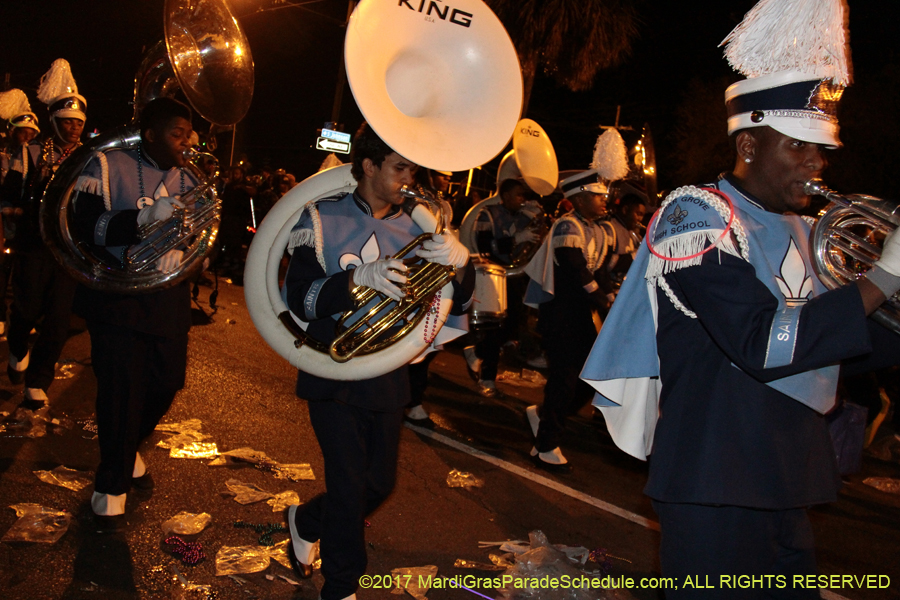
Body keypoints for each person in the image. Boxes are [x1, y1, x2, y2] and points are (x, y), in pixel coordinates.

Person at [581, 1, 900, 593]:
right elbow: (759, 340)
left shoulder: (810, 231)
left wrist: (886, 299)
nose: (815, 163)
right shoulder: (696, 215)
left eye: (821, 149)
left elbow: (842, 348)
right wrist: (881, 280)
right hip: (716, 476)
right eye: (797, 146)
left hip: (791, 474)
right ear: (749, 145)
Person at [282, 122, 473, 600]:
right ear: (369, 166)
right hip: (333, 367)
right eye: (400, 166)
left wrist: (459, 262)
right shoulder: (320, 218)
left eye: (413, 167)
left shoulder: (422, 222)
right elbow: (299, 297)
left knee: (379, 484)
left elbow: (459, 300)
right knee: (348, 483)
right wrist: (356, 280)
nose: (410, 177)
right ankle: (342, 586)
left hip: (387, 372)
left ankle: (307, 519)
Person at [70, 97, 198, 530]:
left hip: (167, 297)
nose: (187, 141)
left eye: (188, 133)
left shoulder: (190, 178)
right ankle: (111, 482)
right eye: (177, 133)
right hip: (117, 293)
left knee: (166, 382)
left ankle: (126, 448)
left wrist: (182, 250)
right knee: (122, 388)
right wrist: (143, 218)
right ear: (150, 134)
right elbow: (84, 226)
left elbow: (202, 236)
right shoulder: (107, 166)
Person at [2, 60, 85, 405]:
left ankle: (39, 380)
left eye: (78, 123)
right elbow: (10, 191)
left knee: (58, 318)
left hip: (67, 251)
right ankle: (17, 346)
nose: (73, 129)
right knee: (25, 308)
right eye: (67, 122)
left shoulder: (89, 159)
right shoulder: (32, 152)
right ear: (54, 121)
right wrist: (12, 209)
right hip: (33, 244)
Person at [522, 169, 615, 472]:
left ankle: (544, 414)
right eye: (599, 195)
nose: (604, 200)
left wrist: (610, 296)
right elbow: (576, 271)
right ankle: (545, 444)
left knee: (589, 378)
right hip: (562, 316)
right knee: (564, 378)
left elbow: (598, 272)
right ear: (581, 197)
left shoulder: (597, 229)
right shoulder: (567, 225)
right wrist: (603, 299)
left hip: (582, 316)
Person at [464, 178, 542, 396]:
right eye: (518, 195)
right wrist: (516, 238)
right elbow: (485, 246)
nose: (522, 200)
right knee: (495, 330)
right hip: (493, 276)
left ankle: (475, 352)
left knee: (511, 329)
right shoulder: (487, 214)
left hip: (515, 277)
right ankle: (487, 379)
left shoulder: (522, 216)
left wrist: (533, 220)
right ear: (506, 195)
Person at [0, 89, 41, 338]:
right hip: (2, 223)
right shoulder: (3, 155)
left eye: (31, 133)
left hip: (22, 225)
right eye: (22, 131)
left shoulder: (37, 157)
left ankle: (22, 317)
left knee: (24, 276)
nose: (26, 136)